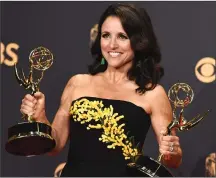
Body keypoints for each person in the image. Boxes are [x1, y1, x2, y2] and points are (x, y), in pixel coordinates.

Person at [20, 3, 182, 176]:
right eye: (106, 35)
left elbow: (173, 160)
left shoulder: (153, 94)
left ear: (138, 41)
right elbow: (55, 145)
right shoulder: (78, 83)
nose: (112, 45)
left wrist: (171, 151)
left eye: (122, 36)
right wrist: (41, 118)